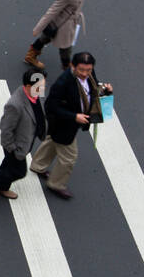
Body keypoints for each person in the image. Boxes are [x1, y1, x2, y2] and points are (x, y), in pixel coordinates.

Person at [30, 52, 113, 200]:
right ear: (72, 66)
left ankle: (38, 165)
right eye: (81, 70)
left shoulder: (89, 74)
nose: (85, 74)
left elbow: (91, 90)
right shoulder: (63, 83)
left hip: (69, 123)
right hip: (64, 123)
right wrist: (74, 116)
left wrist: (105, 91)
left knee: (53, 141)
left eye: (88, 70)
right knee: (69, 157)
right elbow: (50, 106)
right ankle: (55, 184)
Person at [0, 71, 47, 201]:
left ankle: (2, 187)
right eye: (40, 86)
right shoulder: (15, 104)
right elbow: (6, 129)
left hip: (26, 140)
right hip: (15, 146)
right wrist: (12, 148)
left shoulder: (35, 94)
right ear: (28, 86)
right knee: (19, 171)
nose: (43, 89)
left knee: (8, 165)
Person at [25, 0, 89, 72]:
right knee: (66, 48)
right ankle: (68, 70)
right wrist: (38, 28)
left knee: (46, 37)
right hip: (64, 25)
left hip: (64, 21)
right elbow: (52, 11)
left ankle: (31, 55)